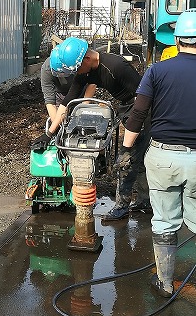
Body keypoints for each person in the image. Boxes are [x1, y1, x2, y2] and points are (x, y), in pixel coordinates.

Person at [31, 37, 151, 219]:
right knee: (138, 159)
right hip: (127, 107)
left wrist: (134, 128)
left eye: (77, 69)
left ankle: (121, 207)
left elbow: (144, 97)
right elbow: (67, 101)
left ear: (87, 59)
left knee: (126, 161)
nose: (77, 74)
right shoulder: (87, 70)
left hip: (142, 111)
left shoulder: (117, 66)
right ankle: (144, 201)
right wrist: (50, 133)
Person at [121, 8, 196, 297]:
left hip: (164, 157)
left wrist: (127, 150)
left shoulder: (157, 70)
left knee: (165, 220)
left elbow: (138, 113)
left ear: (177, 41)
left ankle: (164, 283)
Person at [41, 45, 96, 123]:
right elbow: (50, 101)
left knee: (83, 121)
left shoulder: (77, 62)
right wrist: (57, 126)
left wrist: (84, 107)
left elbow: (92, 83)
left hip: (81, 91)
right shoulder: (47, 69)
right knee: (60, 121)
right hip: (61, 95)